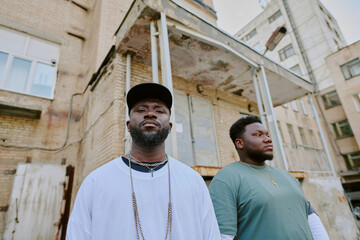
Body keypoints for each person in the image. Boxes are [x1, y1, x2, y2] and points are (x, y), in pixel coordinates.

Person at [66, 82, 221, 240]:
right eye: (141, 110)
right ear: (128, 125)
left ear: (170, 127)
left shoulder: (193, 181)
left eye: (159, 110)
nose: (150, 114)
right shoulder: (96, 181)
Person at [209, 115, 328, 240]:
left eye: (267, 135)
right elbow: (224, 235)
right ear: (240, 143)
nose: (267, 139)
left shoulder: (287, 176)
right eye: (258, 135)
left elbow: (310, 217)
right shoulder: (226, 178)